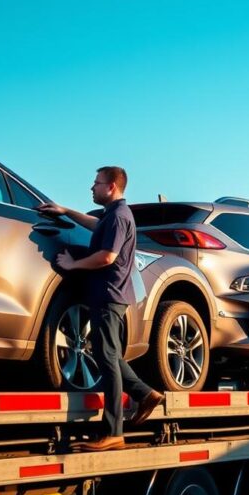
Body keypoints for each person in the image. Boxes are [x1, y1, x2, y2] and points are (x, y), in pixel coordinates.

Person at [38, 166, 164, 451]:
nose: (92, 188)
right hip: (108, 294)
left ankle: (114, 432)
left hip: (109, 294)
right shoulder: (112, 216)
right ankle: (146, 394)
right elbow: (94, 226)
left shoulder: (119, 217)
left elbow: (107, 256)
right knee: (106, 353)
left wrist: (73, 264)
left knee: (107, 358)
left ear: (112, 187)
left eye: (96, 183)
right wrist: (65, 211)